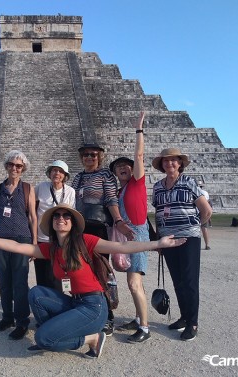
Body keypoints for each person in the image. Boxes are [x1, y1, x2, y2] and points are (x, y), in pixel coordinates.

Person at [0, 204, 186, 358]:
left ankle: (91, 339)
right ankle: (56, 331)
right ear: (52, 223)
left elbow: (122, 246)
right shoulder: (53, 249)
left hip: (93, 306)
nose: (61, 219)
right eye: (57, 216)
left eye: (66, 216)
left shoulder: (85, 241)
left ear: (72, 222)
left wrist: (158, 244)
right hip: (75, 302)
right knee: (36, 293)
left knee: (42, 338)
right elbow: (20, 247)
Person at [71, 142, 133, 336]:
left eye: (93, 155)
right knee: (81, 269)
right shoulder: (78, 177)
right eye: (86, 155)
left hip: (99, 227)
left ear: (100, 157)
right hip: (80, 227)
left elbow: (111, 199)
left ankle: (107, 316)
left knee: (101, 270)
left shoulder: (106, 175)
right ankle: (85, 308)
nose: (89, 158)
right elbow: (72, 202)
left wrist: (119, 220)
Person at [151, 148, 213, 341]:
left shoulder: (189, 183)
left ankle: (193, 322)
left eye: (173, 161)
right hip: (168, 239)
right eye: (166, 161)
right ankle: (185, 317)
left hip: (189, 238)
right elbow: (158, 214)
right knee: (178, 280)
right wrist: (159, 240)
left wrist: (194, 226)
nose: (169, 164)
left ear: (180, 164)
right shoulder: (158, 187)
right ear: (162, 165)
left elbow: (206, 210)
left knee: (189, 281)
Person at [109, 111, 151, 343]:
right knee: (132, 282)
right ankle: (138, 317)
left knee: (134, 283)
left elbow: (140, 155)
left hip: (137, 234)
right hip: (126, 237)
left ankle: (144, 327)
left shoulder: (137, 182)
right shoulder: (119, 190)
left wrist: (138, 130)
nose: (123, 168)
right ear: (115, 173)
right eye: (118, 167)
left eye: (126, 165)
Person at [0, 150, 37, 340]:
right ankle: (7, 316)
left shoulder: (27, 188)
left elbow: (32, 216)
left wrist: (34, 242)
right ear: (6, 166)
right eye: (11, 164)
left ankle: (22, 320)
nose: (14, 168)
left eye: (18, 165)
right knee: (4, 281)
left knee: (20, 282)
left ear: (23, 168)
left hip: (21, 239)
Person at [34, 160, 76, 290]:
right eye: (54, 170)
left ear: (65, 175)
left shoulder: (70, 191)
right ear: (49, 173)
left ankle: (58, 303)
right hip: (42, 237)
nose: (57, 173)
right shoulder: (41, 187)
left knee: (59, 274)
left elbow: (72, 215)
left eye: (60, 171)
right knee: (41, 274)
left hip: (61, 239)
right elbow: (32, 210)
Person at [198, 184, 212, 250]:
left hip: (196, 211)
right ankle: (207, 245)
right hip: (204, 211)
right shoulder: (205, 193)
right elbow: (208, 202)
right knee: (204, 229)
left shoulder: (195, 191)